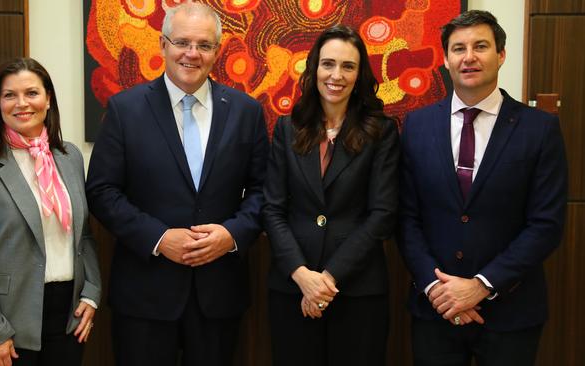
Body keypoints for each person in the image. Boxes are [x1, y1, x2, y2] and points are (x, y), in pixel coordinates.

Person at [85, 3, 269, 366]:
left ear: (217, 52)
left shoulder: (246, 112)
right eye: (182, 42)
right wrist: (158, 238)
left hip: (218, 295)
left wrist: (231, 235)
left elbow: (265, 192)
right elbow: (102, 192)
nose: (191, 54)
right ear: (162, 44)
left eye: (203, 45)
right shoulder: (125, 109)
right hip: (145, 295)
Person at [398, 10, 568, 366]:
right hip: (435, 310)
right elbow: (406, 218)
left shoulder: (539, 129)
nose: (469, 57)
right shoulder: (417, 125)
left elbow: (546, 224)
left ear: (501, 54)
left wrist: (481, 285)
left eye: (481, 46)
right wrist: (437, 288)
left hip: (511, 311)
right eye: (458, 48)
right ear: (445, 60)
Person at [0, 57, 101, 366]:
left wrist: (91, 292)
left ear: (47, 99)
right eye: (9, 95)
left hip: (66, 318)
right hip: (1, 319)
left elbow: (83, 235)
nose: (21, 103)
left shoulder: (68, 157)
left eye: (31, 93)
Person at [262, 25, 399, 366]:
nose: (336, 75)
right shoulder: (287, 127)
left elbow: (382, 214)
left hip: (358, 290)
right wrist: (302, 275)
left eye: (348, 66)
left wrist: (327, 279)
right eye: (328, 64)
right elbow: (272, 209)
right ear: (314, 68)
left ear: (359, 74)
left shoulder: (382, 131)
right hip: (292, 288)